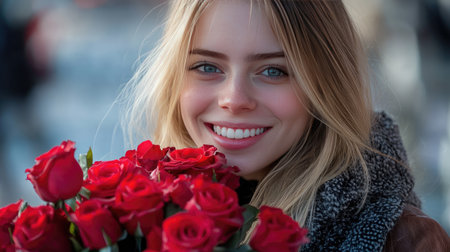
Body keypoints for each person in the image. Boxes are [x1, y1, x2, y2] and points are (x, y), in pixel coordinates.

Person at [121, 0, 449, 251]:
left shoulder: (403, 240)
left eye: (273, 71)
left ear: (326, 85)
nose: (234, 99)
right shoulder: (129, 220)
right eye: (207, 66)